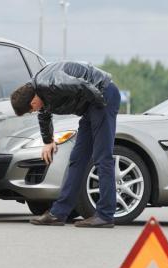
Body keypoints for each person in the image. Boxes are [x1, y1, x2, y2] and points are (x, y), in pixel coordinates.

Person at [11, 61, 120, 228]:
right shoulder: (38, 90)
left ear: (32, 102)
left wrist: (101, 107)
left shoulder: (53, 83)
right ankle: (58, 214)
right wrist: (48, 142)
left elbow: (82, 85)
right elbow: (44, 114)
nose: (33, 112)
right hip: (92, 106)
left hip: (102, 97)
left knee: (102, 157)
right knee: (77, 159)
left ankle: (105, 215)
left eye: (30, 110)